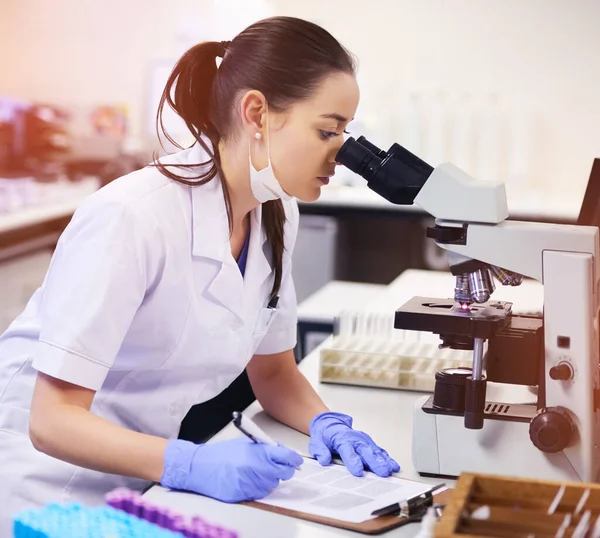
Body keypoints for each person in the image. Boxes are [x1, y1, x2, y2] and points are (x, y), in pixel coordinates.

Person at [0, 15, 400, 532]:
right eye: (327, 131)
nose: (341, 154)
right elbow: (51, 421)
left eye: (345, 132)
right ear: (257, 112)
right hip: (41, 483)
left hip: (141, 477)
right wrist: (188, 463)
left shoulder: (275, 212)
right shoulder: (134, 215)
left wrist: (327, 423)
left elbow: (274, 373)